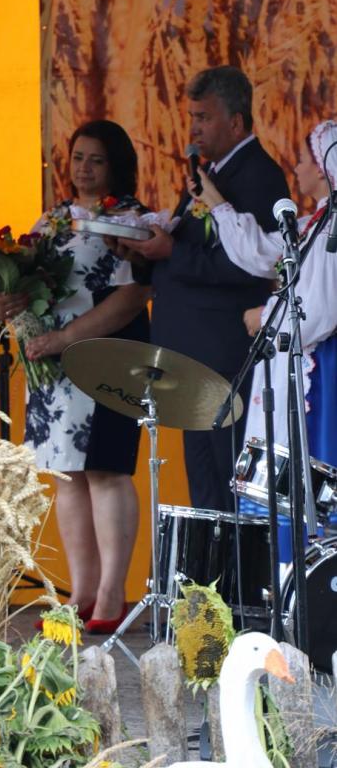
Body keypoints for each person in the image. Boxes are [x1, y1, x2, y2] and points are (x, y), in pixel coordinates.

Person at [0, 120, 152, 632]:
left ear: (116, 165)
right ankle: (80, 593)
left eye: (96, 159)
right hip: (52, 366)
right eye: (78, 157)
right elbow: (14, 284)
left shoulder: (131, 221)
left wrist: (66, 337)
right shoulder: (53, 219)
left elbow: (132, 297)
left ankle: (111, 596)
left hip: (106, 354)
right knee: (66, 475)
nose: (84, 168)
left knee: (106, 471)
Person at [111, 66, 289, 512]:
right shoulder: (209, 172)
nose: (194, 129)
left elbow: (251, 267)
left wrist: (172, 251)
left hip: (225, 352)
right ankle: (211, 562)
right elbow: (190, 247)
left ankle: (234, 561)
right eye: (192, 117)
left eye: (204, 118)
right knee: (205, 488)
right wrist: (142, 252)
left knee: (228, 482)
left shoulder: (259, 175)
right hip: (194, 354)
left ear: (236, 121)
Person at [190, 119, 337, 468]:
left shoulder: (332, 229)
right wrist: (214, 200)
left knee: (313, 467)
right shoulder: (316, 224)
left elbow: (321, 309)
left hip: (322, 367)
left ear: (321, 168)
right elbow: (260, 252)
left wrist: (267, 316)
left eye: (302, 160)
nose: (296, 168)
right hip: (302, 358)